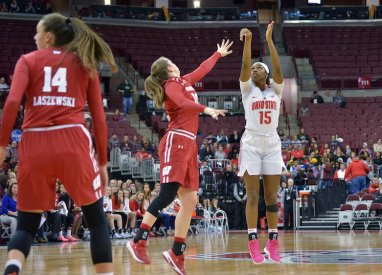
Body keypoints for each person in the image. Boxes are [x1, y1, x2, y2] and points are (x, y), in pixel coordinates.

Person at [0, 13, 115, 274]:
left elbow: (11, 104)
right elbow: (98, 118)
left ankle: (13, 268)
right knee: (96, 221)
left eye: (37, 32)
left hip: (34, 140)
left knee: (27, 225)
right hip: (72, 139)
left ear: (48, 36)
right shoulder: (85, 63)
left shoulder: (27, 60)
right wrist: (103, 162)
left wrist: (2, 146)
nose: (34, 37)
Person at [125, 39, 232, 274]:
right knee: (167, 193)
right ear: (169, 69)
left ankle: (176, 252)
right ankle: (138, 240)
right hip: (177, 140)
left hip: (189, 143)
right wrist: (206, 109)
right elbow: (183, 102)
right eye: (173, 63)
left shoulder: (183, 81)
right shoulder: (170, 84)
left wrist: (217, 54)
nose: (176, 65)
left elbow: (201, 70)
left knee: (191, 200)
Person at [238, 22, 285, 264]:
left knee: (271, 197)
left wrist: (268, 40)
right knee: (253, 195)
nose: (253, 70)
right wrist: (247, 41)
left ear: (266, 74)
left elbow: (278, 68)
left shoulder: (275, 90)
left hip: (272, 143)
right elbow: (245, 65)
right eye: (253, 68)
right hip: (251, 142)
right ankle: (253, 241)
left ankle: (273, 243)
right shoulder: (247, 90)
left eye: (258, 68)